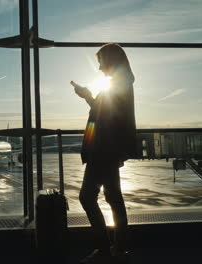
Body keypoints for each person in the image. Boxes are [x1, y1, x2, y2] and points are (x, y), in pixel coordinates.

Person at [70, 43, 136, 263]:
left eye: (100, 62)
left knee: (88, 197)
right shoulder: (121, 83)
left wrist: (90, 97)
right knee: (113, 198)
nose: (99, 68)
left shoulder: (118, 85)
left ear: (110, 60)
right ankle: (118, 249)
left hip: (103, 149)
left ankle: (107, 249)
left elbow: (104, 117)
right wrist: (88, 96)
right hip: (108, 149)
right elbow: (104, 113)